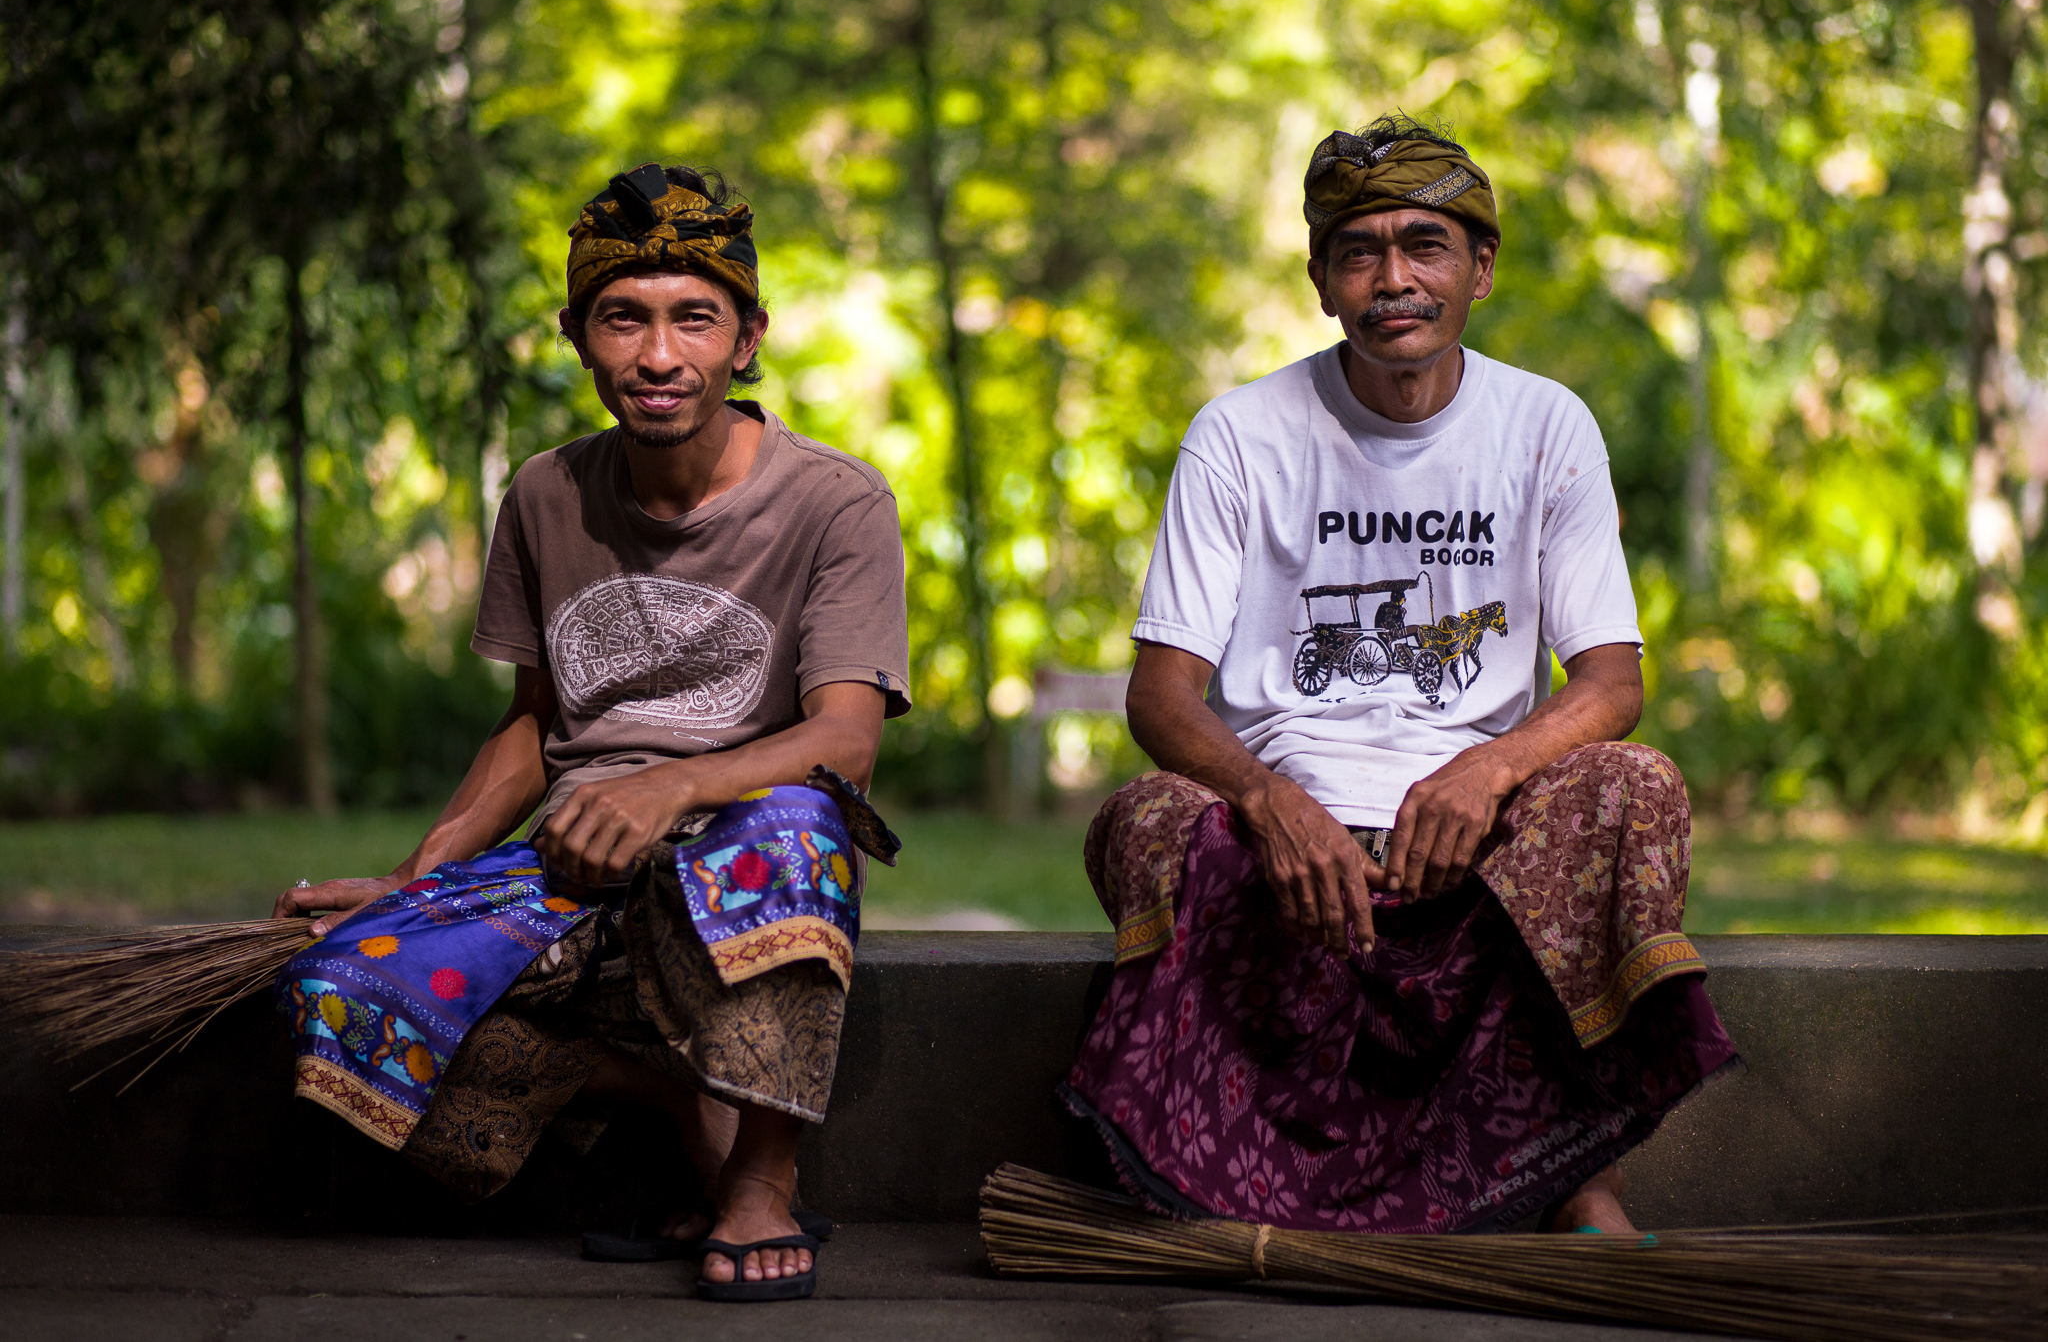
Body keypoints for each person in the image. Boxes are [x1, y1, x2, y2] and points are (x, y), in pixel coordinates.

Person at [1064, 116, 1738, 1235]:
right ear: (1322, 281)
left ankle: (1577, 1178)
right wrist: (1272, 805)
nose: (1393, 279)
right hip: (1285, 850)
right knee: (1143, 822)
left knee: (1634, 785)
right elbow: (1160, 696)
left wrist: (1487, 773)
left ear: (1479, 268)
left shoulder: (1542, 424)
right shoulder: (1238, 434)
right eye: (1358, 251)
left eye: (1423, 246)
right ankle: (1222, 1173)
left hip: (1480, 844)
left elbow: (1610, 680)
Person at [271, 163, 910, 1300]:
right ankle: (663, 1091)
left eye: (692, 319)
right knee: (333, 995)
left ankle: (760, 1181)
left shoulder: (836, 502)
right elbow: (532, 726)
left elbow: (846, 740)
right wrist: (420, 876)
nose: (657, 354)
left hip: (735, 860)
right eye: (623, 317)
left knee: (802, 827)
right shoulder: (543, 493)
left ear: (747, 338)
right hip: (570, 864)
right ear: (578, 335)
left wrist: (668, 791)